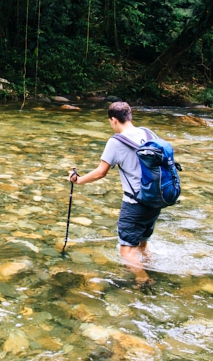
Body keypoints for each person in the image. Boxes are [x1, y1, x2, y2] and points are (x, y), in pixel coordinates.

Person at [68, 101, 159, 288]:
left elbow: (101, 172)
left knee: (126, 252)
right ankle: (150, 268)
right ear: (130, 116)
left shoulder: (116, 141)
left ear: (114, 120)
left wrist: (78, 180)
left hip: (135, 204)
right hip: (155, 199)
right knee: (142, 245)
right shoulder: (148, 133)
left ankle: (144, 280)